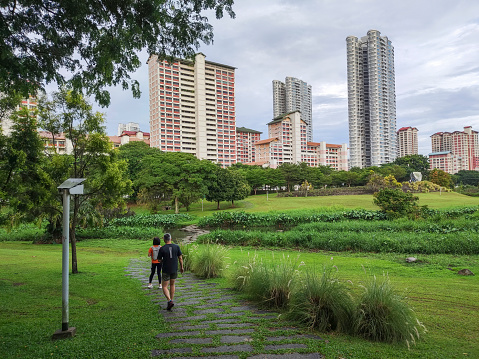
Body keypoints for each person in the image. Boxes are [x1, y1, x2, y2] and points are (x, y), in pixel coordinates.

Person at [158, 233, 184, 310]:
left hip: (166, 269)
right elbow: (180, 258)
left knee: (165, 286)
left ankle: (169, 300)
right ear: (171, 239)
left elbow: (159, 260)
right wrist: (182, 267)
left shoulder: (162, 248)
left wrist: (163, 260)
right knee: (172, 284)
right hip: (174, 269)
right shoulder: (176, 247)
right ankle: (171, 300)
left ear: (164, 240)